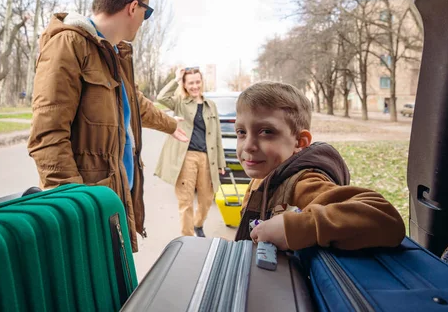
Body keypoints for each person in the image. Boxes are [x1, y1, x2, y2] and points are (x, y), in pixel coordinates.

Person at [27, 0, 188, 252]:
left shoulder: (113, 53)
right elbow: (47, 138)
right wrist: (77, 209)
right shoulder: (69, 44)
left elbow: (135, 104)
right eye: (146, 13)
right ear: (133, 7)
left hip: (115, 198)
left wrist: (170, 125)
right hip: (89, 208)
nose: (144, 21)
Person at [234, 81, 405, 250]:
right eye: (241, 132)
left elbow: (385, 218)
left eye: (266, 132)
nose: (248, 145)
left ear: (300, 142)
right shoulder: (263, 176)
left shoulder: (302, 184)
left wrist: (294, 228)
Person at [155, 67, 226, 237]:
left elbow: (216, 136)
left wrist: (221, 163)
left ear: (202, 82)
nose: (195, 86)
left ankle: (198, 224)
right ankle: (187, 237)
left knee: (207, 199)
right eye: (191, 83)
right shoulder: (180, 102)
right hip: (186, 157)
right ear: (185, 85)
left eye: (197, 82)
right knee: (185, 201)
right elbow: (161, 97)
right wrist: (176, 78)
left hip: (207, 158)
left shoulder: (211, 106)